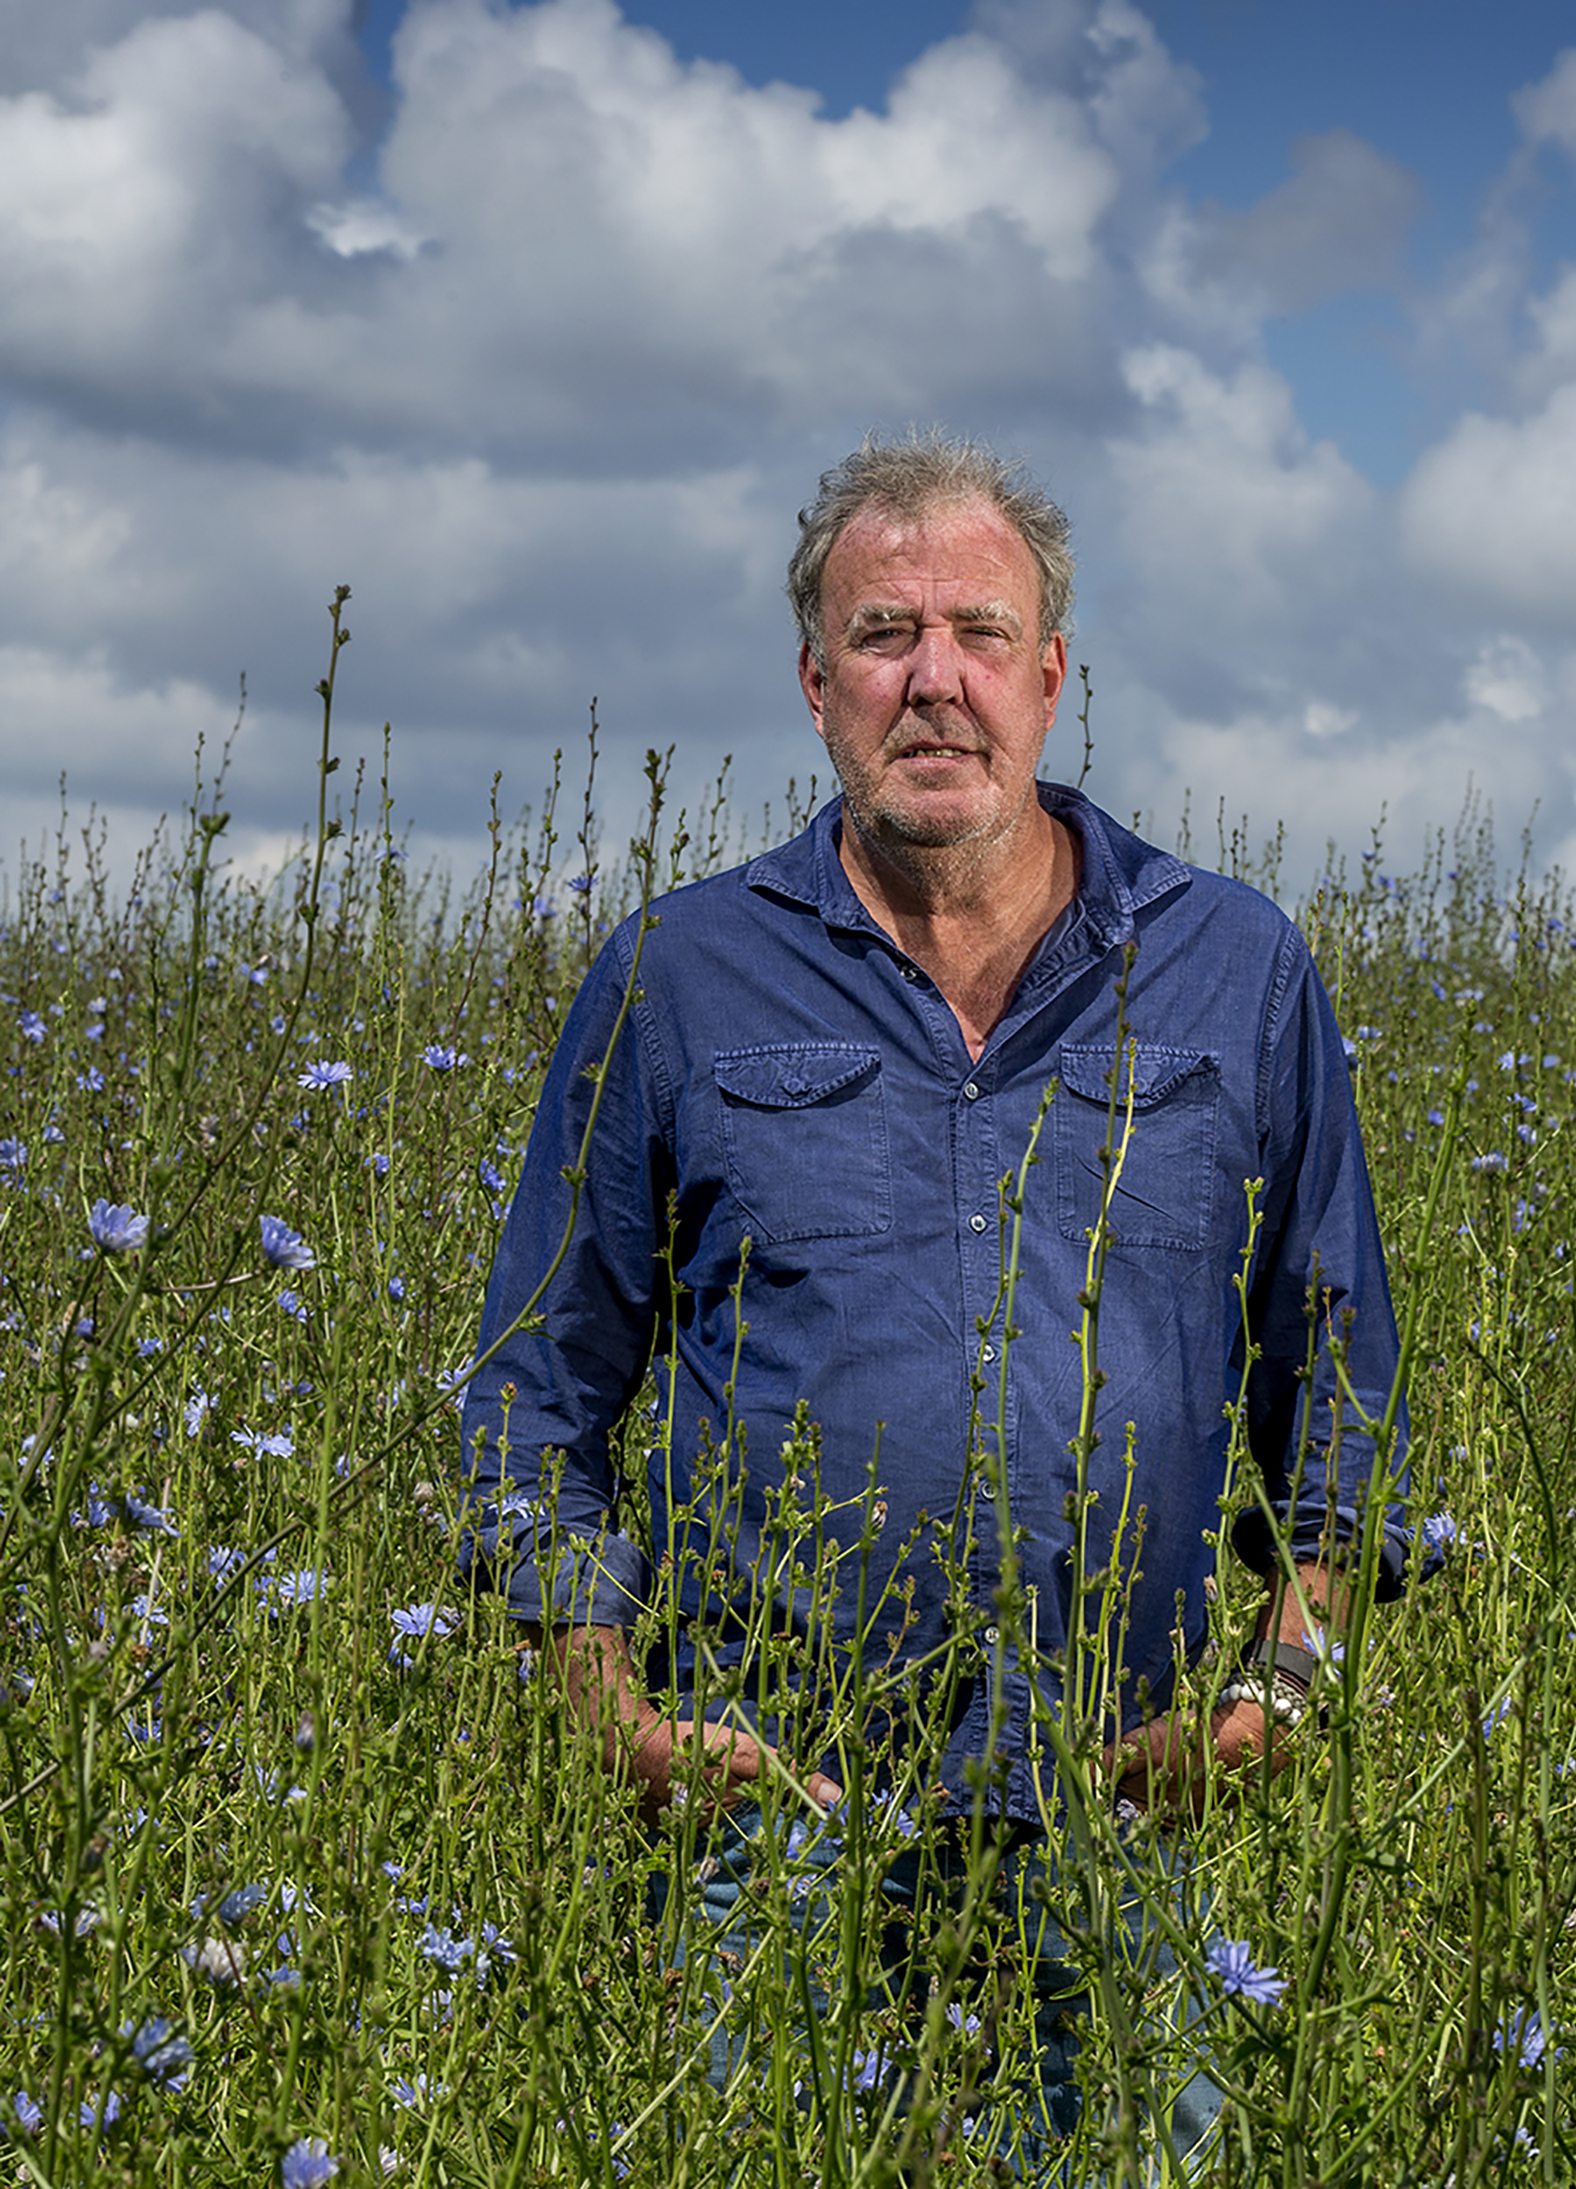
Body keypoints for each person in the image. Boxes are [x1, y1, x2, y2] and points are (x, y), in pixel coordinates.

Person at [457, 431, 1409, 2157]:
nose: (937, 681)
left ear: (1055, 676)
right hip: (772, 1815)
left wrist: (1285, 1689)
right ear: (815, 682)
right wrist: (615, 1719)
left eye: (980, 631)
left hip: (1129, 1809)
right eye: (886, 633)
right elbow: (539, 1389)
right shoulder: (678, 975)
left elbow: (1335, 1390)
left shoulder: (1236, 965)